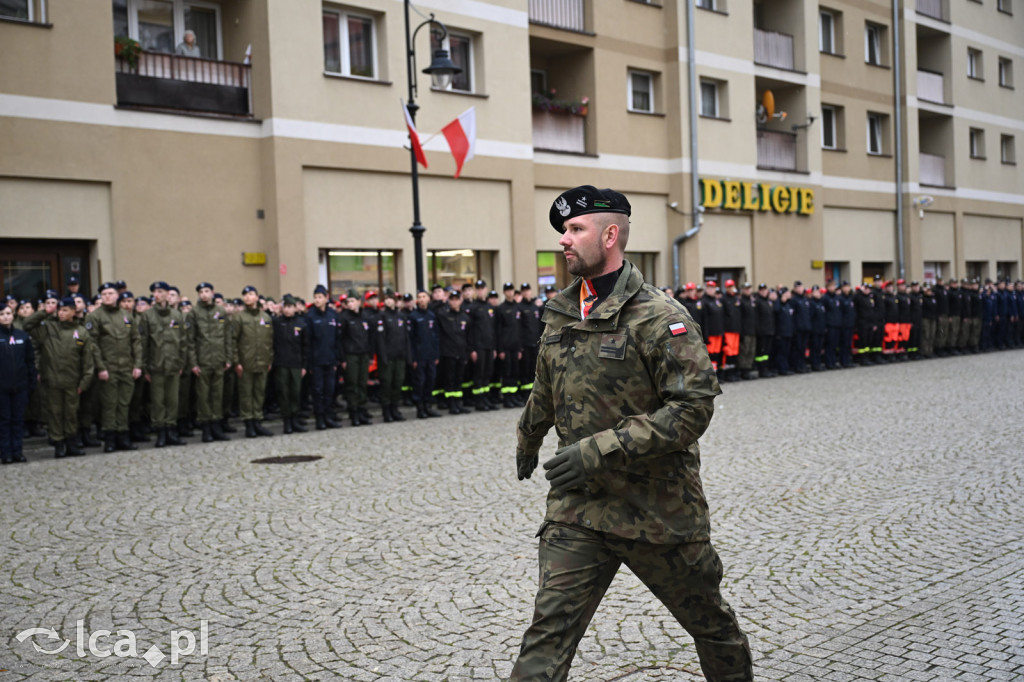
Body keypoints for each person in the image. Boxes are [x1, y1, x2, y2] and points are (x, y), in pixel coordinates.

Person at [512, 185, 752, 681]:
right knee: (545, 638)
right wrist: (528, 436)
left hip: (657, 512)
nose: (565, 240)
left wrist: (600, 450)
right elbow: (546, 387)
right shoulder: (561, 312)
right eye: (563, 231)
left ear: (612, 235)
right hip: (579, 510)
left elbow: (692, 408)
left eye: (576, 229)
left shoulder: (659, 317)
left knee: (712, 627)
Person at [24, 297, 95, 459]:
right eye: (59, 310)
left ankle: (71, 442)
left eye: (65, 310)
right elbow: (28, 325)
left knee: (71, 413)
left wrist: (84, 382)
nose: (61, 313)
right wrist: (45, 312)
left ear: (73, 312)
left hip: (73, 381)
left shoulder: (81, 331)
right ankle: (59, 444)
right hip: (52, 380)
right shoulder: (48, 328)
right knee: (55, 413)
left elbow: (87, 361)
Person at [86, 282, 143, 453]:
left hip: (126, 366)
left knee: (124, 403)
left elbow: (136, 341)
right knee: (110, 404)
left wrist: (137, 364)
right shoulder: (95, 317)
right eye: (104, 294)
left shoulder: (126, 316)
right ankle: (110, 438)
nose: (108, 296)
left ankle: (123, 436)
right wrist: (101, 367)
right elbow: (92, 344)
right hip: (108, 367)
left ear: (117, 295)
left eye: (111, 293)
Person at [139, 281, 190, 447]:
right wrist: (145, 366)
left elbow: (183, 341)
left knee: (173, 400)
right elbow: (144, 343)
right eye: (154, 291)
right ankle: (160, 432)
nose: (156, 294)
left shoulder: (176, 316)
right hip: (156, 365)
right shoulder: (147, 316)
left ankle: (171, 431)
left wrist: (181, 362)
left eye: (160, 291)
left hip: (173, 365)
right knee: (158, 401)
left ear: (168, 294)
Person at [191, 282, 234, 442]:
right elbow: (190, 340)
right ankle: (206, 428)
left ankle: (217, 426)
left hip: (219, 359)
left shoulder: (220, 312)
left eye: (207, 291)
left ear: (212, 292)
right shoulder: (194, 313)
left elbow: (227, 336)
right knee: (203, 396)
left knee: (217, 395)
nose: (204, 294)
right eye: (201, 291)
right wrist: (193, 363)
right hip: (202, 361)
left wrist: (228, 358)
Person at [233, 285, 274, 438]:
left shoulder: (266, 317)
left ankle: (257, 421)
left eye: (251, 294)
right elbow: (233, 341)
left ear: (257, 297)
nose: (247, 297)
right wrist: (237, 362)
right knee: (246, 394)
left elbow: (269, 341)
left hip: (262, 361)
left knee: (259, 393)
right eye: (245, 295)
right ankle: (248, 423)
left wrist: (269, 359)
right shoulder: (239, 317)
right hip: (246, 362)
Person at [1, 303, 37, 464]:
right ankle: (6, 453)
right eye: (1, 314)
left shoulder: (22, 336)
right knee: (4, 420)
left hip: (20, 386)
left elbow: (30, 361)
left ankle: (18, 451)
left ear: (13, 315)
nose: (5, 316)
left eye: (8, 313)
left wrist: (31, 382)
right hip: (2, 387)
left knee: (18, 420)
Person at [305, 284, 343, 430]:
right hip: (317, 361)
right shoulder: (310, 316)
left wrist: (336, 358)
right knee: (318, 391)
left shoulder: (332, 316)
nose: (317, 300)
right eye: (315, 297)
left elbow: (336, 339)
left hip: (330, 359)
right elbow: (308, 342)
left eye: (320, 297)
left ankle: (328, 416)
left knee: (329, 390)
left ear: (326, 298)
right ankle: (319, 418)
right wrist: (309, 363)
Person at [272, 295, 307, 434]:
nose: (287, 310)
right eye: (285, 307)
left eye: (290, 307)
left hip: (296, 363)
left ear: (295, 308)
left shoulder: (301, 323)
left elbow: (305, 346)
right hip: (281, 363)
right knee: (283, 392)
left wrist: (304, 365)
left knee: (295, 392)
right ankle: (287, 421)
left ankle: (295, 419)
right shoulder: (277, 323)